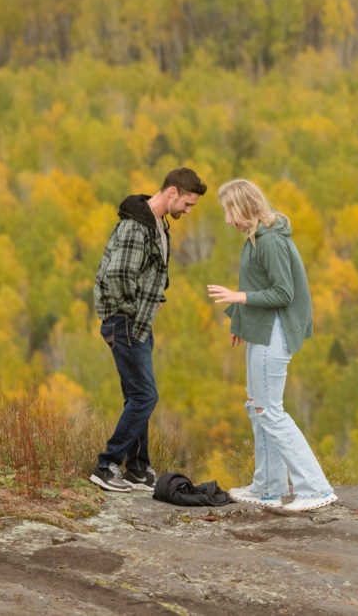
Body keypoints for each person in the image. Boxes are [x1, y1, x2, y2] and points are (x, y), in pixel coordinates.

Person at [207, 178, 337, 513]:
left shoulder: (270, 242)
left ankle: (316, 489)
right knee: (257, 406)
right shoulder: (254, 238)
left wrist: (238, 298)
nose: (227, 219)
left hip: (275, 333)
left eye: (228, 211)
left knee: (270, 411)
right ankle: (268, 488)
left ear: (244, 207)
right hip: (261, 330)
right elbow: (255, 283)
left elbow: (283, 293)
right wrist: (239, 318)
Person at [89, 166, 207, 493]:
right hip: (126, 321)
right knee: (145, 395)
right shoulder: (135, 227)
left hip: (139, 321)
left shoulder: (158, 225)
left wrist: (153, 301)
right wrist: (133, 308)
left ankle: (137, 469)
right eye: (187, 204)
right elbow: (116, 276)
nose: (187, 210)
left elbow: (146, 273)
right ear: (172, 193)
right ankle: (106, 465)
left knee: (136, 395)